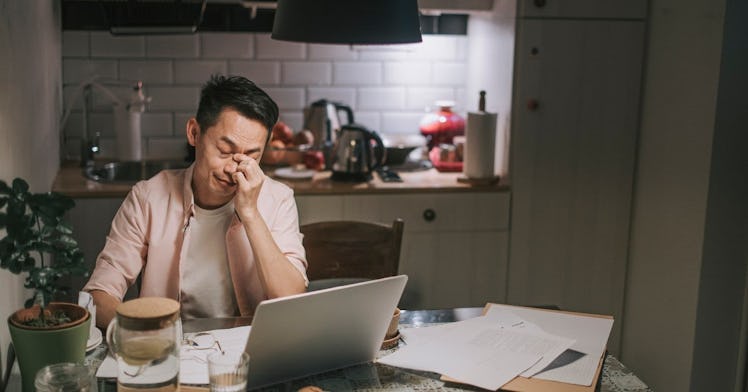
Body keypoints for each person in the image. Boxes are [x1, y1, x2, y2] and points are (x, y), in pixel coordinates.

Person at [83, 75, 308, 328]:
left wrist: (251, 214)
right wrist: (149, 336)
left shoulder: (278, 199)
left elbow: (291, 299)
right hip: (171, 350)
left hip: (250, 350)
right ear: (194, 133)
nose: (234, 169)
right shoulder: (148, 197)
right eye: (224, 151)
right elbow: (98, 297)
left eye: (251, 157)